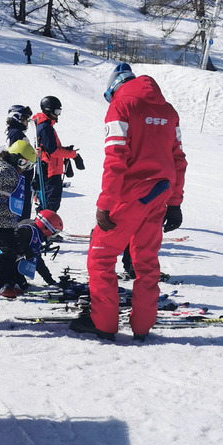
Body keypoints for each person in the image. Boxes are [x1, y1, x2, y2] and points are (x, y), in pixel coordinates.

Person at [70, 62, 187, 342]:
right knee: (146, 260)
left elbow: (115, 158)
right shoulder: (169, 112)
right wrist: (175, 202)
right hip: (159, 193)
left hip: (130, 194)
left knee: (101, 257)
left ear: (113, 89)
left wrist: (105, 203)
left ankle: (104, 323)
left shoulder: (121, 106)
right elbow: (178, 159)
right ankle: (142, 326)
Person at [0, 140, 37, 298]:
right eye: (26, 166)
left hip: (7, 219)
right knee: (8, 251)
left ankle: (8, 281)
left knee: (13, 251)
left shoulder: (9, 170)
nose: (25, 170)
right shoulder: (8, 171)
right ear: (19, 160)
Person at [33, 96, 83, 213]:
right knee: (51, 204)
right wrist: (73, 155)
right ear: (48, 110)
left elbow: (50, 148)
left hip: (51, 169)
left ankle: (46, 228)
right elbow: (53, 152)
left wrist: (66, 150)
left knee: (50, 202)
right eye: (56, 112)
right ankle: (45, 229)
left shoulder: (46, 126)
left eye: (59, 112)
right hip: (51, 171)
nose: (58, 115)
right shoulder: (45, 128)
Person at [14, 210, 63, 291]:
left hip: (16, 262)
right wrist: (26, 249)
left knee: (25, 285)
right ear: (46, 226)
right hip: (9, 264)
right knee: (23, 286)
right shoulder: (28, 230)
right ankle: (8, 282)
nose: (52, 236)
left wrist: (49, 280)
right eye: (54, 233)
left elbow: (38, 261)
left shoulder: (37, 233)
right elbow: (15, 242)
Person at [5, 105, 34, 220]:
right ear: (17, 118)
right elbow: (17, 155)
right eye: (25, 119)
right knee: (23, 207)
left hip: (21, 175)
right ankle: (21, 229)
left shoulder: (14, 132)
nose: (27, 122)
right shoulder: (16, 134)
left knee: (23, 206)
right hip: (21, 176)